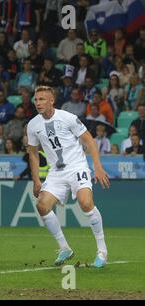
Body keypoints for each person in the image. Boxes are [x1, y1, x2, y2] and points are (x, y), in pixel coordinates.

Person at [27, 85, 110, 268]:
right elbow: (33, 153)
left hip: (76, 166)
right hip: (56, 172)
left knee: (85, 203)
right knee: (42, 205)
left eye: (42, 99)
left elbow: (88, 139)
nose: (38, 103)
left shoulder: (68, 118)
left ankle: (102, 250)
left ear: (51, 101)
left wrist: (97, 166)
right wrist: (36, 180)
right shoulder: (33, 125)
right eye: (35, 99)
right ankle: (64, 248)